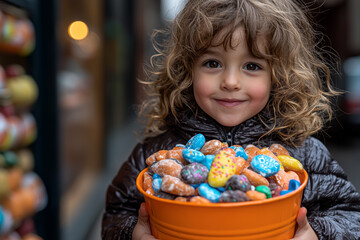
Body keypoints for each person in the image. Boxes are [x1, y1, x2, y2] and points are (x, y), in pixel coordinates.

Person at [101, 0, 360, 239]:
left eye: (251, 66)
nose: (230, 82)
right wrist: (133, 234)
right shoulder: (158, 153)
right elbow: (117, 211)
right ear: (187, 69)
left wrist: (318, 234)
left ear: (278, 76)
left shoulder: (305, 154)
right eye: (213, 63)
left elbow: (349, 214)